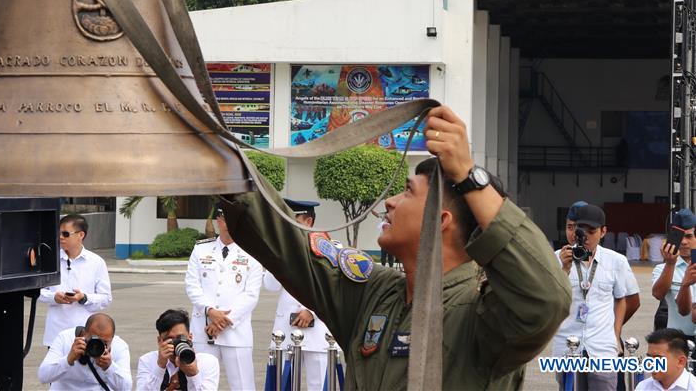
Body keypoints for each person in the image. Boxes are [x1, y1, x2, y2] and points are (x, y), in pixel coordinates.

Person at [219, 105, 571, 390]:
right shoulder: (374, 292)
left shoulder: (484, 315)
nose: (389, 201)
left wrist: (466, 174)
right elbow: (285, 237)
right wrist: (216, 151)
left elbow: (545, 298)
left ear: (442, 220)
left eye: (407, 191)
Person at [552, 201, 641, 391]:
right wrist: (564, 269)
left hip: (602, 346)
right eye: (580, 231)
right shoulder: (555, 258)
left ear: (603, 232)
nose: (585, 237)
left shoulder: (616, 261)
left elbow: (623, 300)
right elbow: (549, 300)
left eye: (591, 232)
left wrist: (614, 333)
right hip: (566, 344)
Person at [184, 202, 262, 391]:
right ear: (219, 220)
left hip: (236, 331)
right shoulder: (201, 249)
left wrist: (223, 320)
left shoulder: (253, 252)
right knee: (199, 384)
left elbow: (251, 295)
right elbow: (192, 285)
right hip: (204, 329)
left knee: (243, 386)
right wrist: (210, 311)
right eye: (229, 218)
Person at [263, 199, 336, 391]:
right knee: (282, 383)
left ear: (308, 222)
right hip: (286, 329)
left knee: (319, 385)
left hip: (317, 328)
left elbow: (332, 287)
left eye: (294, 218)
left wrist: (311, 311)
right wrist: (276, 255)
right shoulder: (282, 248)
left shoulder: (328, 247)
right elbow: (269, 285)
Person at [40, 214, 112, 347]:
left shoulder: (96, 262)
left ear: (81, 235)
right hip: (56, 333)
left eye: (66, 234)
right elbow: (38, 292)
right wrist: (54, 297)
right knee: (56, 368)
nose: (61, 237)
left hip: (85, 333)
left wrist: (84, 298)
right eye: (59, 233)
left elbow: (106, 298)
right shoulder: (50, 260)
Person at [38, 312, 132, 391]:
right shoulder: (65, 338)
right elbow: (43, 376)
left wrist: (109, 367)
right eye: (93, 340)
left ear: (112, 338)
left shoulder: (120, 346)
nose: (97, 345)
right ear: (83, 333)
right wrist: (68, 360)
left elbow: (126, 388)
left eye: (105, 343)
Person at [136, 308, 221, 391]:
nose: (176, 343)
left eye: (180, 337)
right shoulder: (147, 361)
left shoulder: (207, 362)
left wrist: (193, 374)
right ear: (159, 341)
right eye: (170, 339)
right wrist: (160, 366)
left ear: (190, 337)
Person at [653, 210, 696, 344]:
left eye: (689, 236)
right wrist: (670, 264)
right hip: (676, 339)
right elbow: (658, 294)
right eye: (679, 236)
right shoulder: (663, 268)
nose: (683, 242)